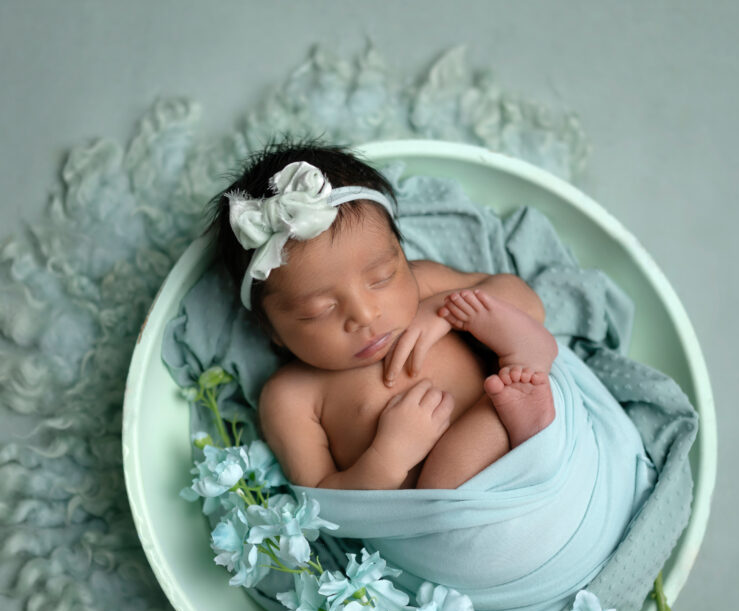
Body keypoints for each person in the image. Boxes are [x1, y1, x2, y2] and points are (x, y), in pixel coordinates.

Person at [210, 140, 559, 490]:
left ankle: (528, 377)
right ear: (273, 331)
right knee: (447, 473)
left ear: (401, 255)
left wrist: (451, 310)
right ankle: (525, 416)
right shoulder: (291, 395)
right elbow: (323, 500)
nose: (364, 314)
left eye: (382, 278)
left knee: (515, 362)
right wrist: (388, 458)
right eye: (319, 310)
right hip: (447, 511)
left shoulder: (426, 286)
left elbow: (528, 303)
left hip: (551, 450)